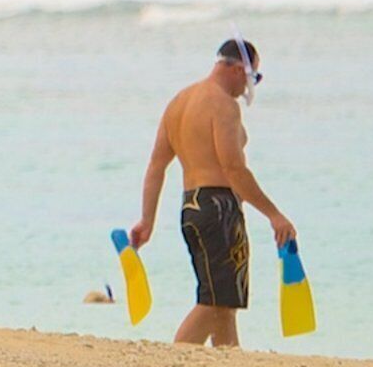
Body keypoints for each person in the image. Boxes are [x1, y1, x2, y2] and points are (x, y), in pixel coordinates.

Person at [126, 36, 294, 346]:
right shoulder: (223, 104)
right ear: (235, 69)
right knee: (214, 301)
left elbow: (156, 166)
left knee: (225, 301)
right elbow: (233, 169)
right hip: (219, 208)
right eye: (252, 77)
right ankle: (170, 364)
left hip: (192, 208)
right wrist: (275, 215)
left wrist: (146, 221)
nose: (247, 89)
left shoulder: (179, 101)